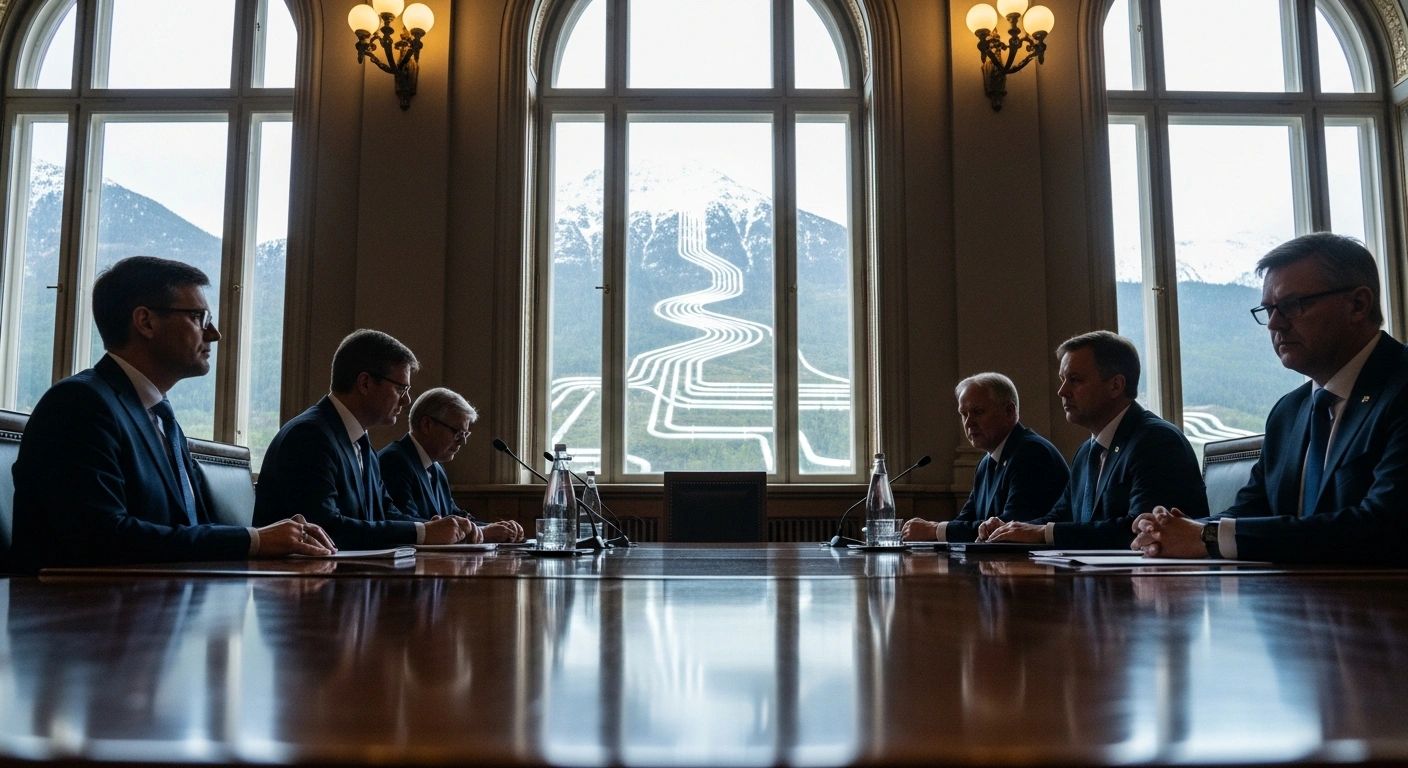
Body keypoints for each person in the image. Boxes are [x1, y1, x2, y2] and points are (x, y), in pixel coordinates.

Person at [10, 256, 335, 573]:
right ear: (146, 322)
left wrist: (279, 538)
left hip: (155, 607)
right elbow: (102, 538)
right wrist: (254, 540)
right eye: (199, 317)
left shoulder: (161, 416)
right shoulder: (78, 404)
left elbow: (191, 527)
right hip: (75, 618)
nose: (214, 334)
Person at [1133, 233, 1408, 564]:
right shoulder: (1289, 412)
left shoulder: (1400, 385)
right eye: (1268, 309)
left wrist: (1205, 537)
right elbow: (1254, 509)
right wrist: (1173, 531)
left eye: (1292, 305)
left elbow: (1384, 525)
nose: (1274, 324)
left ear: (1358, 305)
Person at [982, 331, 1207, 548]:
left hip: (1155, 583)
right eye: (1062, 379)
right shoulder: (1087, 452)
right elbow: (1061, 516)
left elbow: (1143, 529)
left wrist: (1042, 533)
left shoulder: (1157, 441)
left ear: (1115, 386)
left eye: (1075, 380)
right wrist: (1009, 529)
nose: (1062, 391)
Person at [253, 330, 475, 549]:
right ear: (365, 383)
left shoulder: (361, 441)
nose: (407, 400)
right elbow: (326, 528)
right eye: (400, 388)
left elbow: (385, 512)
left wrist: (432, 528)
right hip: (296, 580)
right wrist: (422, 532)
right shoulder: (309, 435)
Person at [901, 373, 1068, 543]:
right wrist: (934, 530)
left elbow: (1010, 528)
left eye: (978, 412)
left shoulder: (1032, 452)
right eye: (964, 414)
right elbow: (967, 519)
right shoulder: (986, 463)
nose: (968, 423)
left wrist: (935, 530)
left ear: (1009, 412)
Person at [378, 388, 525, 542]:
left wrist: (499, 529)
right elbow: (407, 524)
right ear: (427, 425)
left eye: (465, 434)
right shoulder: (394, 461)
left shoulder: (436, 467)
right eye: (457, 433)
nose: (462, 441)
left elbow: (455, 517)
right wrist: (483, 533)